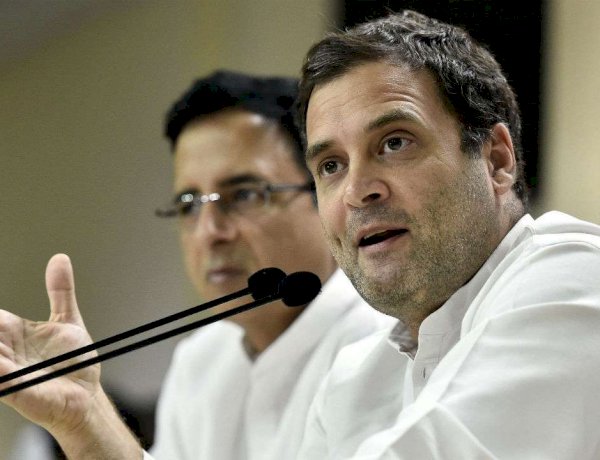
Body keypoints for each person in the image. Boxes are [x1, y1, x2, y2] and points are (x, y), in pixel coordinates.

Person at [0, 70, 393, 459]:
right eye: (189, 205)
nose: (209, 232)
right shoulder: (202, 359)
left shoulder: (387, 343)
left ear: (324, 194)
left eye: (244, 195)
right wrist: (83, 418)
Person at [292, 9, 600, 459]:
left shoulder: (575, 276)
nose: (357, 191)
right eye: (331, 166)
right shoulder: (353, 381)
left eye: (395, 143)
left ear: (496, 160)